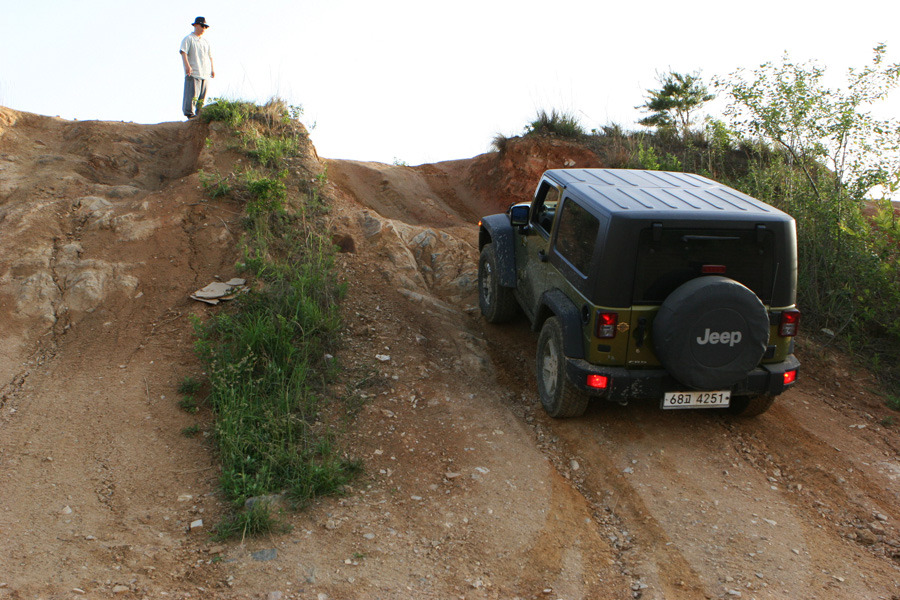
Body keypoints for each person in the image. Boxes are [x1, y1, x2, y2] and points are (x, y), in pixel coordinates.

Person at [179, 16, 215, 119]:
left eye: (205, 27)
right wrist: (187, 66)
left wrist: (212, 69)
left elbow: (210, 56)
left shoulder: (205, 42)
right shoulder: (188, 39)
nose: (203, 28)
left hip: (205, 72)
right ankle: (190, 114)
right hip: (194, 71)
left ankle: (199, 115)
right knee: (192, 95)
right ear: (195, 25)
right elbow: (183, 52)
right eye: (202, 26)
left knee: (202, 97)